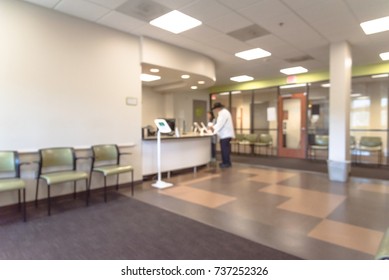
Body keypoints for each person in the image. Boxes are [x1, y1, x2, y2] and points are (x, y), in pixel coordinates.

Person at [211, 102, 235, 168]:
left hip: (225, 135)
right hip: (226, 135)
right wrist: (214, 128)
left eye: (215, 109)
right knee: (225, 149)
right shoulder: (225, 112)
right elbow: (220, 123)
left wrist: (213, 128)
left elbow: (220, 124)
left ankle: (226, 163)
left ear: (218, 108)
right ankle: (226, 162)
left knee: (225, 149)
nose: (215, 111)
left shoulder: (223, 113)